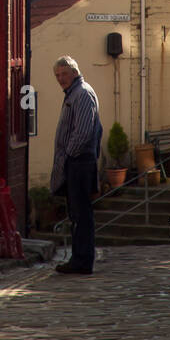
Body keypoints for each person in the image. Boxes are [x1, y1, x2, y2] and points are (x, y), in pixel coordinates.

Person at [49, 55, 102, 274]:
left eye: (63, 74)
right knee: (77, 214)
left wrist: (68, 156)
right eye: (57, 75)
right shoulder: (75, 93)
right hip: (76, 162)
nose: (60, 79)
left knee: (81, 214)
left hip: (80, 163)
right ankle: (78, 259)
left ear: (74, 72)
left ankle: (82, 261)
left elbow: (83, 132)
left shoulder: (82, 94)